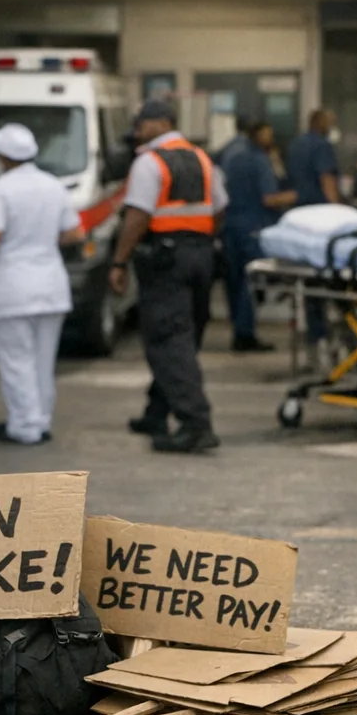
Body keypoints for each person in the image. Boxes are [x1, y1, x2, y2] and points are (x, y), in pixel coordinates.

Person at [109, 100, 228, 453]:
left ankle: (196, 425)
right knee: (183, 336)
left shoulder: (150, 161)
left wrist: (119, 262)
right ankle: (157, 412)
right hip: (200, 255)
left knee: (168, 339)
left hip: (164, 259)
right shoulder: (202, 158)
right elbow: (220, 207)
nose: (137, 132)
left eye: (141, 125)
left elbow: (137, 217)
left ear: (162, 123)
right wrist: (200, 239)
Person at [0, 123, 85, 445]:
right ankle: (40, 421)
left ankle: (24, 426)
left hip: (12, 288)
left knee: (16, 362)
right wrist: (42, 239)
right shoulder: (54, 186)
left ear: (2, 156)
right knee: (43, 361)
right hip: (51, 284)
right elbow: (74, 233)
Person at [222, 122, 297, 353]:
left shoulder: (232, 157)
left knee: (234, 281)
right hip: (253, 226)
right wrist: (297, 196)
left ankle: (237, 328)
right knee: (252, 280)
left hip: (230, 225)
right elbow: (269, 198)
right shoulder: (261, 161)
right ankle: (245, 334)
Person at [287, 110, 341, 352]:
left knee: (309, 279)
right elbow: (327, 181)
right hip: (321, 218)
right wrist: (339, 211)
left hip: (301, 217)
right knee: (327, 278)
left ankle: (314, 333)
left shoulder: (296, 146)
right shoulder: (321, 146)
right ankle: (330, 332)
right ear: (321, 123)